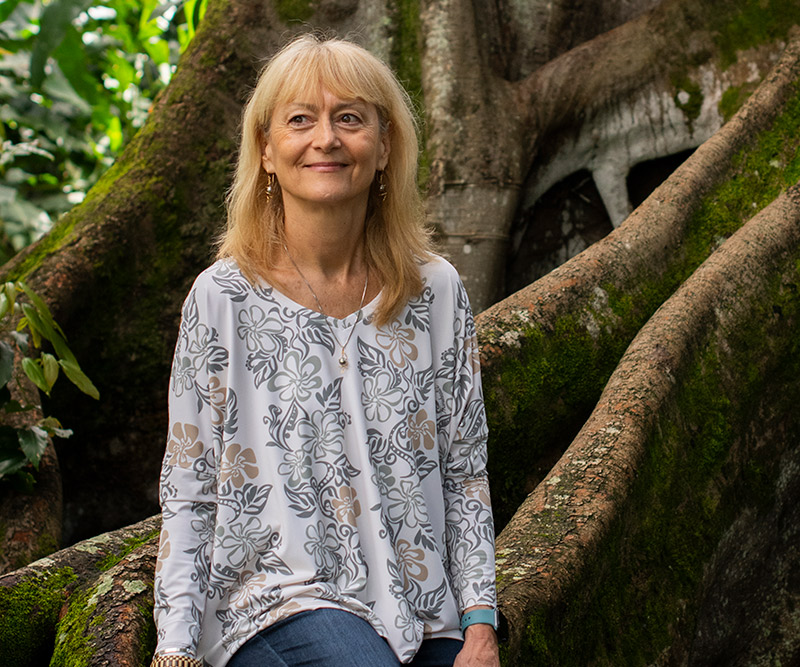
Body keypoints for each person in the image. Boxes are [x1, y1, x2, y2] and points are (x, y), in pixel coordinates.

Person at [151, 33, 499, 667]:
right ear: (266, 149)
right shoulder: (224, 297)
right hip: (273, 605)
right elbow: (189, 487)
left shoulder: (436, 290)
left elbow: (464, 470)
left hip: (424, 612)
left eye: (350, 118)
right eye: (300, 120)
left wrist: (480, 623)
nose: (327, 139)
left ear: (386, 144)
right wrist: (174, 647)